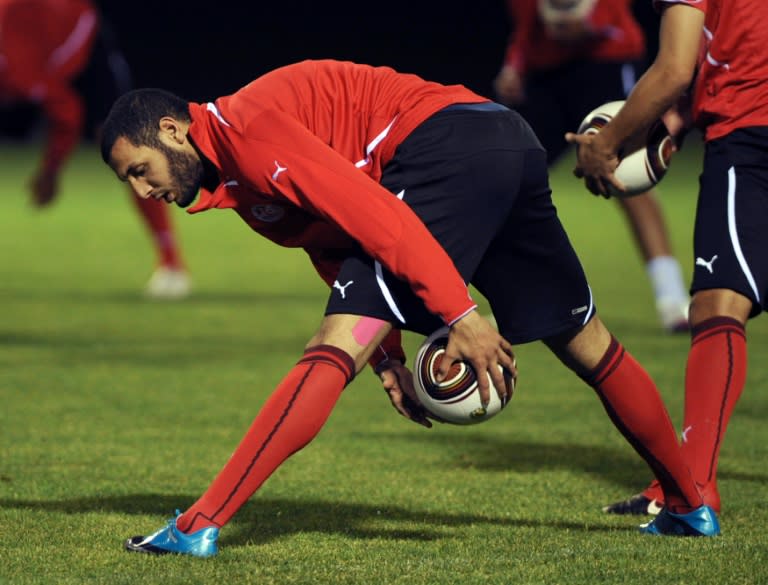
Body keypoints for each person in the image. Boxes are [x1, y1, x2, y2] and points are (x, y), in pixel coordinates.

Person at [99, 59, 719, 557]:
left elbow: (376, 214)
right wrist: (388, 357)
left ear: (173, 131)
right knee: (587, 342)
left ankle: (199, 523)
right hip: (502, 140)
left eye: (139, 169)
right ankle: (691, 505)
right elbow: (333, 244)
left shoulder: (249, 130)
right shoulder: (235, 176)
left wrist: (462, 317)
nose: (142, 190)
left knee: (329, 347)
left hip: (445, 149)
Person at [567, 0, 767, 516]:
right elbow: (725, 45)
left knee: (718, 306)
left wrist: (606, 144)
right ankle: (687, 480)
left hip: (751, 134)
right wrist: (676, 120)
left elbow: (675, 67)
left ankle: (692, 489)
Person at [493, 0, 690, 333]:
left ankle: (672, 298)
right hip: (546, 70)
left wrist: (593, 23)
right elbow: (528, 22)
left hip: (605, 60)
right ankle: (514, 299)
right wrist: (515, 64)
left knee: (628, 176)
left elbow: (607, 16)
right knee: (507, 176)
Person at [0, 0, 190, 299]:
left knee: (127, 147)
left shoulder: (15, 64)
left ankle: (171, 263)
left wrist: (50, 173)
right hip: (42, 44)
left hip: (81, 39)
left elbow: (68, 112)